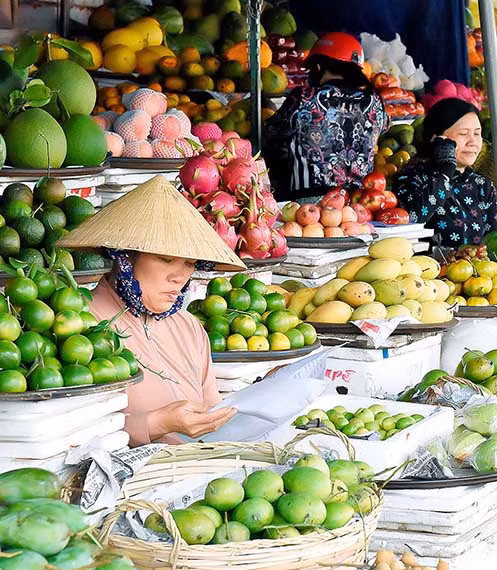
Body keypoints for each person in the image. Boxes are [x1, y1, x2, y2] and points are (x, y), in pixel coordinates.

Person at [58, 176, 246, 446]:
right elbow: (66, 434)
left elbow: (212, 410)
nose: (178, 277)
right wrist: (158, 423)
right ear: (125, 257)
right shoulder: (81, 322)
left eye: (189, 263)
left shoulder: (190, 327)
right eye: (166, 259)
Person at [262, 32, 388, 201]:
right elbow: (384, 128)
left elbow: (271, 135)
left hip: (308, 204)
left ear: (318, 67)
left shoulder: (303, 97)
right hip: (358, 204)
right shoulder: (376, 101)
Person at [394, 97, 497, 248]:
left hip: (475, 264)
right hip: (426, 263)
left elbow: (496, 241)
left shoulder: (483, 186)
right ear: (436, 139)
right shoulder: (411, 177)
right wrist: (445, 172)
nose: (472, 142)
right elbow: (413, 219)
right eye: (463, 134)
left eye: (477, 134)